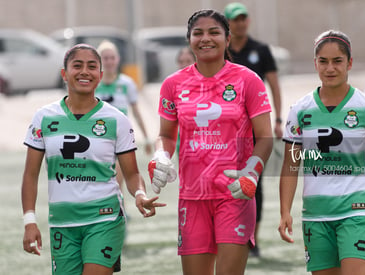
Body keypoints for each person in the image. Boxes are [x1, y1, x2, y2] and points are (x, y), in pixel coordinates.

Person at [21, 43, 165, 275]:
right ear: (64, 74)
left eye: (92, 67)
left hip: (104, 219)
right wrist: (29, 221)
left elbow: (132, 173)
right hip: (62, 223)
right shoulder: (43, 118)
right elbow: (30, 174)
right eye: (77, 66)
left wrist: (139, 194)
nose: (84, 72)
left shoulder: (116, 120)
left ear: (100, 76)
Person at [148, 9, 273, 275]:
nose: (206, 38)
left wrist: (252, 171)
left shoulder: (247, 80)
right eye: (198, 33)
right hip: (192, 197)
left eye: (214, 32)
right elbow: (167, 134)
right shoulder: (173, 84)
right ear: (189, 39)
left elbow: (264, 136)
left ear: (227, 40)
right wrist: (161, 156)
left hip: (235, 194)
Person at [278, 30, 365, 275]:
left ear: (349, 63)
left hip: (357, 212)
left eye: (337, 61)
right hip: (316, 216)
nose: (330, 68)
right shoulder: (299, 111)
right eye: (323, 61)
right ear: (315, 63)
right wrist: (285, 211)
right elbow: (291, 165)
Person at [224, 1, 283, 257]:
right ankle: (228, 235)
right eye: (235, 19)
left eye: (243, 18)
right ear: (227, 23)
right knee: (226, 179)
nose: (240, 22)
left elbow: (274, 85)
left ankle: (252, 239)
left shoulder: (261, 50)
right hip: (228, 129)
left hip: (256, 127)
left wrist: (278, 119)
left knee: (254, 183)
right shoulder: (222, 50)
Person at [96, 40, 151, 189]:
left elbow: (136, 112)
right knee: (99, 178)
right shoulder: (93, 84)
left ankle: (121, 208)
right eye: (105, 58)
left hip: (120, 137)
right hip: (97, 136)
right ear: (99, 60)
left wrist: (146, 138)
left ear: (117, 59)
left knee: (118, 177)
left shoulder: (127, 83)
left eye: (112, 57)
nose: (109, 61)